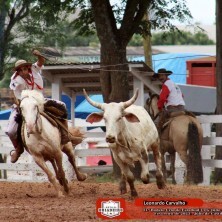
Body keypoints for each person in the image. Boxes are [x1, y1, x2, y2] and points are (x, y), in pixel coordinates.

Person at [6, 50, 70, 163]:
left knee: (62, 105)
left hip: (40, 101)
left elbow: (41, 61)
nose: (23, 71)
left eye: (24, 68)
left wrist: (39, 55)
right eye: (20, 70)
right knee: (11, 130)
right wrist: (20, 105)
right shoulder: (15, 80)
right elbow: (15, 96)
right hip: (23, 105)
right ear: (18, 72)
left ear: (27, 67)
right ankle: (18, 148)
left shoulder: (34, 69)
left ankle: (65, 134)